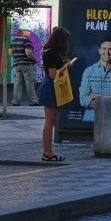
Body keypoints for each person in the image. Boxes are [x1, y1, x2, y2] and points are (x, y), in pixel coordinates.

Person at [37, 27, 76, 162]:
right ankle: (47, 152)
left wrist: (63, 63)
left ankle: (48, 152)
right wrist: (67, 65)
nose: (67, 44)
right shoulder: (51, 53)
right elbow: (54, 74)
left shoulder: (50, 52)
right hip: (50, 89)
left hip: (49, 88)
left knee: (50, 122)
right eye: (66, 40)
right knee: (50, 122)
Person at [78, 39, 111, 124]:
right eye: (104, 48)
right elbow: (83, 99)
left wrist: (95, 97)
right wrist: (110, 98)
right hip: (90, 120)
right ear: (99, 50)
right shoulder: (88, 71)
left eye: (110, 49)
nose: (107, 52)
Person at [9, 28, 37, 107]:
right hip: (27, 64)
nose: (30, 33)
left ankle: (15, 101)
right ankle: (33, 101)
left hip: (18, 64)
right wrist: (36, 59)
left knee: (18, 83)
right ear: (23, 32)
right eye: (28, 32)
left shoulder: (13, 41)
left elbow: (10, 52)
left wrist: (17, 59)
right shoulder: (27, 41)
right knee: (30, 82)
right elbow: (28, 53)